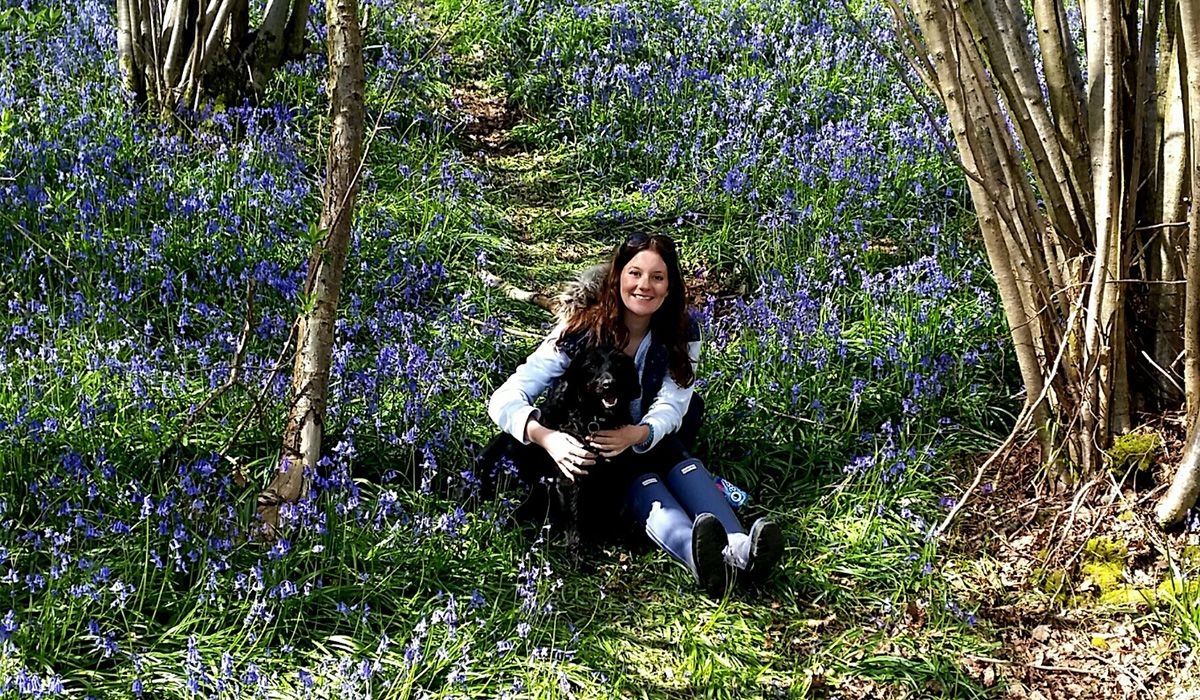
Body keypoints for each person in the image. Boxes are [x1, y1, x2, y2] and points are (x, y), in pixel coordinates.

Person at [487, 232, 783, 596]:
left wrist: (638, 433)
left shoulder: (682, 331)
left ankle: (741, 548)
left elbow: (675, 403)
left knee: (679, 463)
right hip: (599, 444)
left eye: (657, 277)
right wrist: (546, 437)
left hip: (649, 435)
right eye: (635, 274)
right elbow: (504, 399)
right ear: (618, 277)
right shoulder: (581, 328)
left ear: (670, 285)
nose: (645, 286)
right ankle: (702, 561)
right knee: (644, 484)